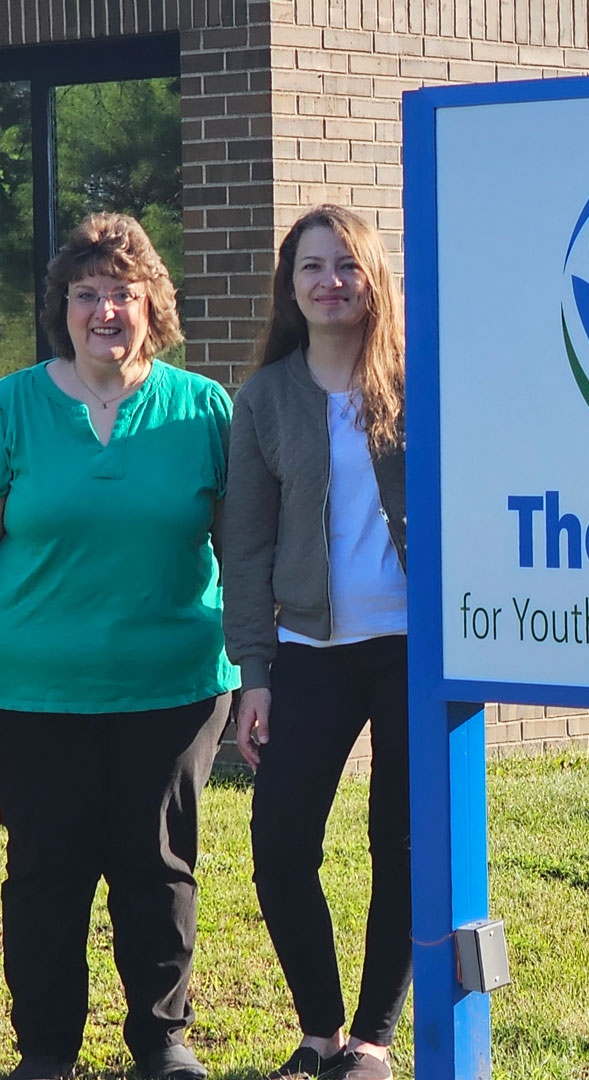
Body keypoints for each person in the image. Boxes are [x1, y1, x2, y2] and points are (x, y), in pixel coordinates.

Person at [0, 213, 236, 1080]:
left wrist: (260, 670)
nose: (105, 311)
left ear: (152, 306)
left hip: (175, 687)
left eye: (123, 294)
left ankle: (163, 1041)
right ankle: (47, 1051)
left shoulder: (204, 410)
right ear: (61, 308)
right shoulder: (5, 409)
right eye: (86, 294)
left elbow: (243, 548)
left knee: (158, 867)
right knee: (46, 871)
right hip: (31, 692)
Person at [223, 205, 410, 1080]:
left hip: (414, 650)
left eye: (346, 264)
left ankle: (372, 1040)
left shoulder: (416, 382)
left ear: (373, 278)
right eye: (311, 267)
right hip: (308, 651)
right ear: (289, 287)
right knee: (281, 844)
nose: (329, 281)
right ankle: (321, 1032)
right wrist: (253, 675)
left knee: (400, 844)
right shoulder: (265, 398)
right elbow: (246, 547)